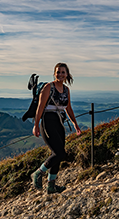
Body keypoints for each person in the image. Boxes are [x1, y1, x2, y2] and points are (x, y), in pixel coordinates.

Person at [31, 62, 82, 194]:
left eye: (63, 72)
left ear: (67, 74)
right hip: (47, 122)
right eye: (58, 72)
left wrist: (76, 125)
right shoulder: (49, 87)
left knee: (58, 154)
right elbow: (40, 108)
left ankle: (51, 186)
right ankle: (38, 173)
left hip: (59, 123)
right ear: (54, 73)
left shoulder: (66, 90)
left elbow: (69, 108)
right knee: (59, 153)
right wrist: (36, 125)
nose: (60, 74)